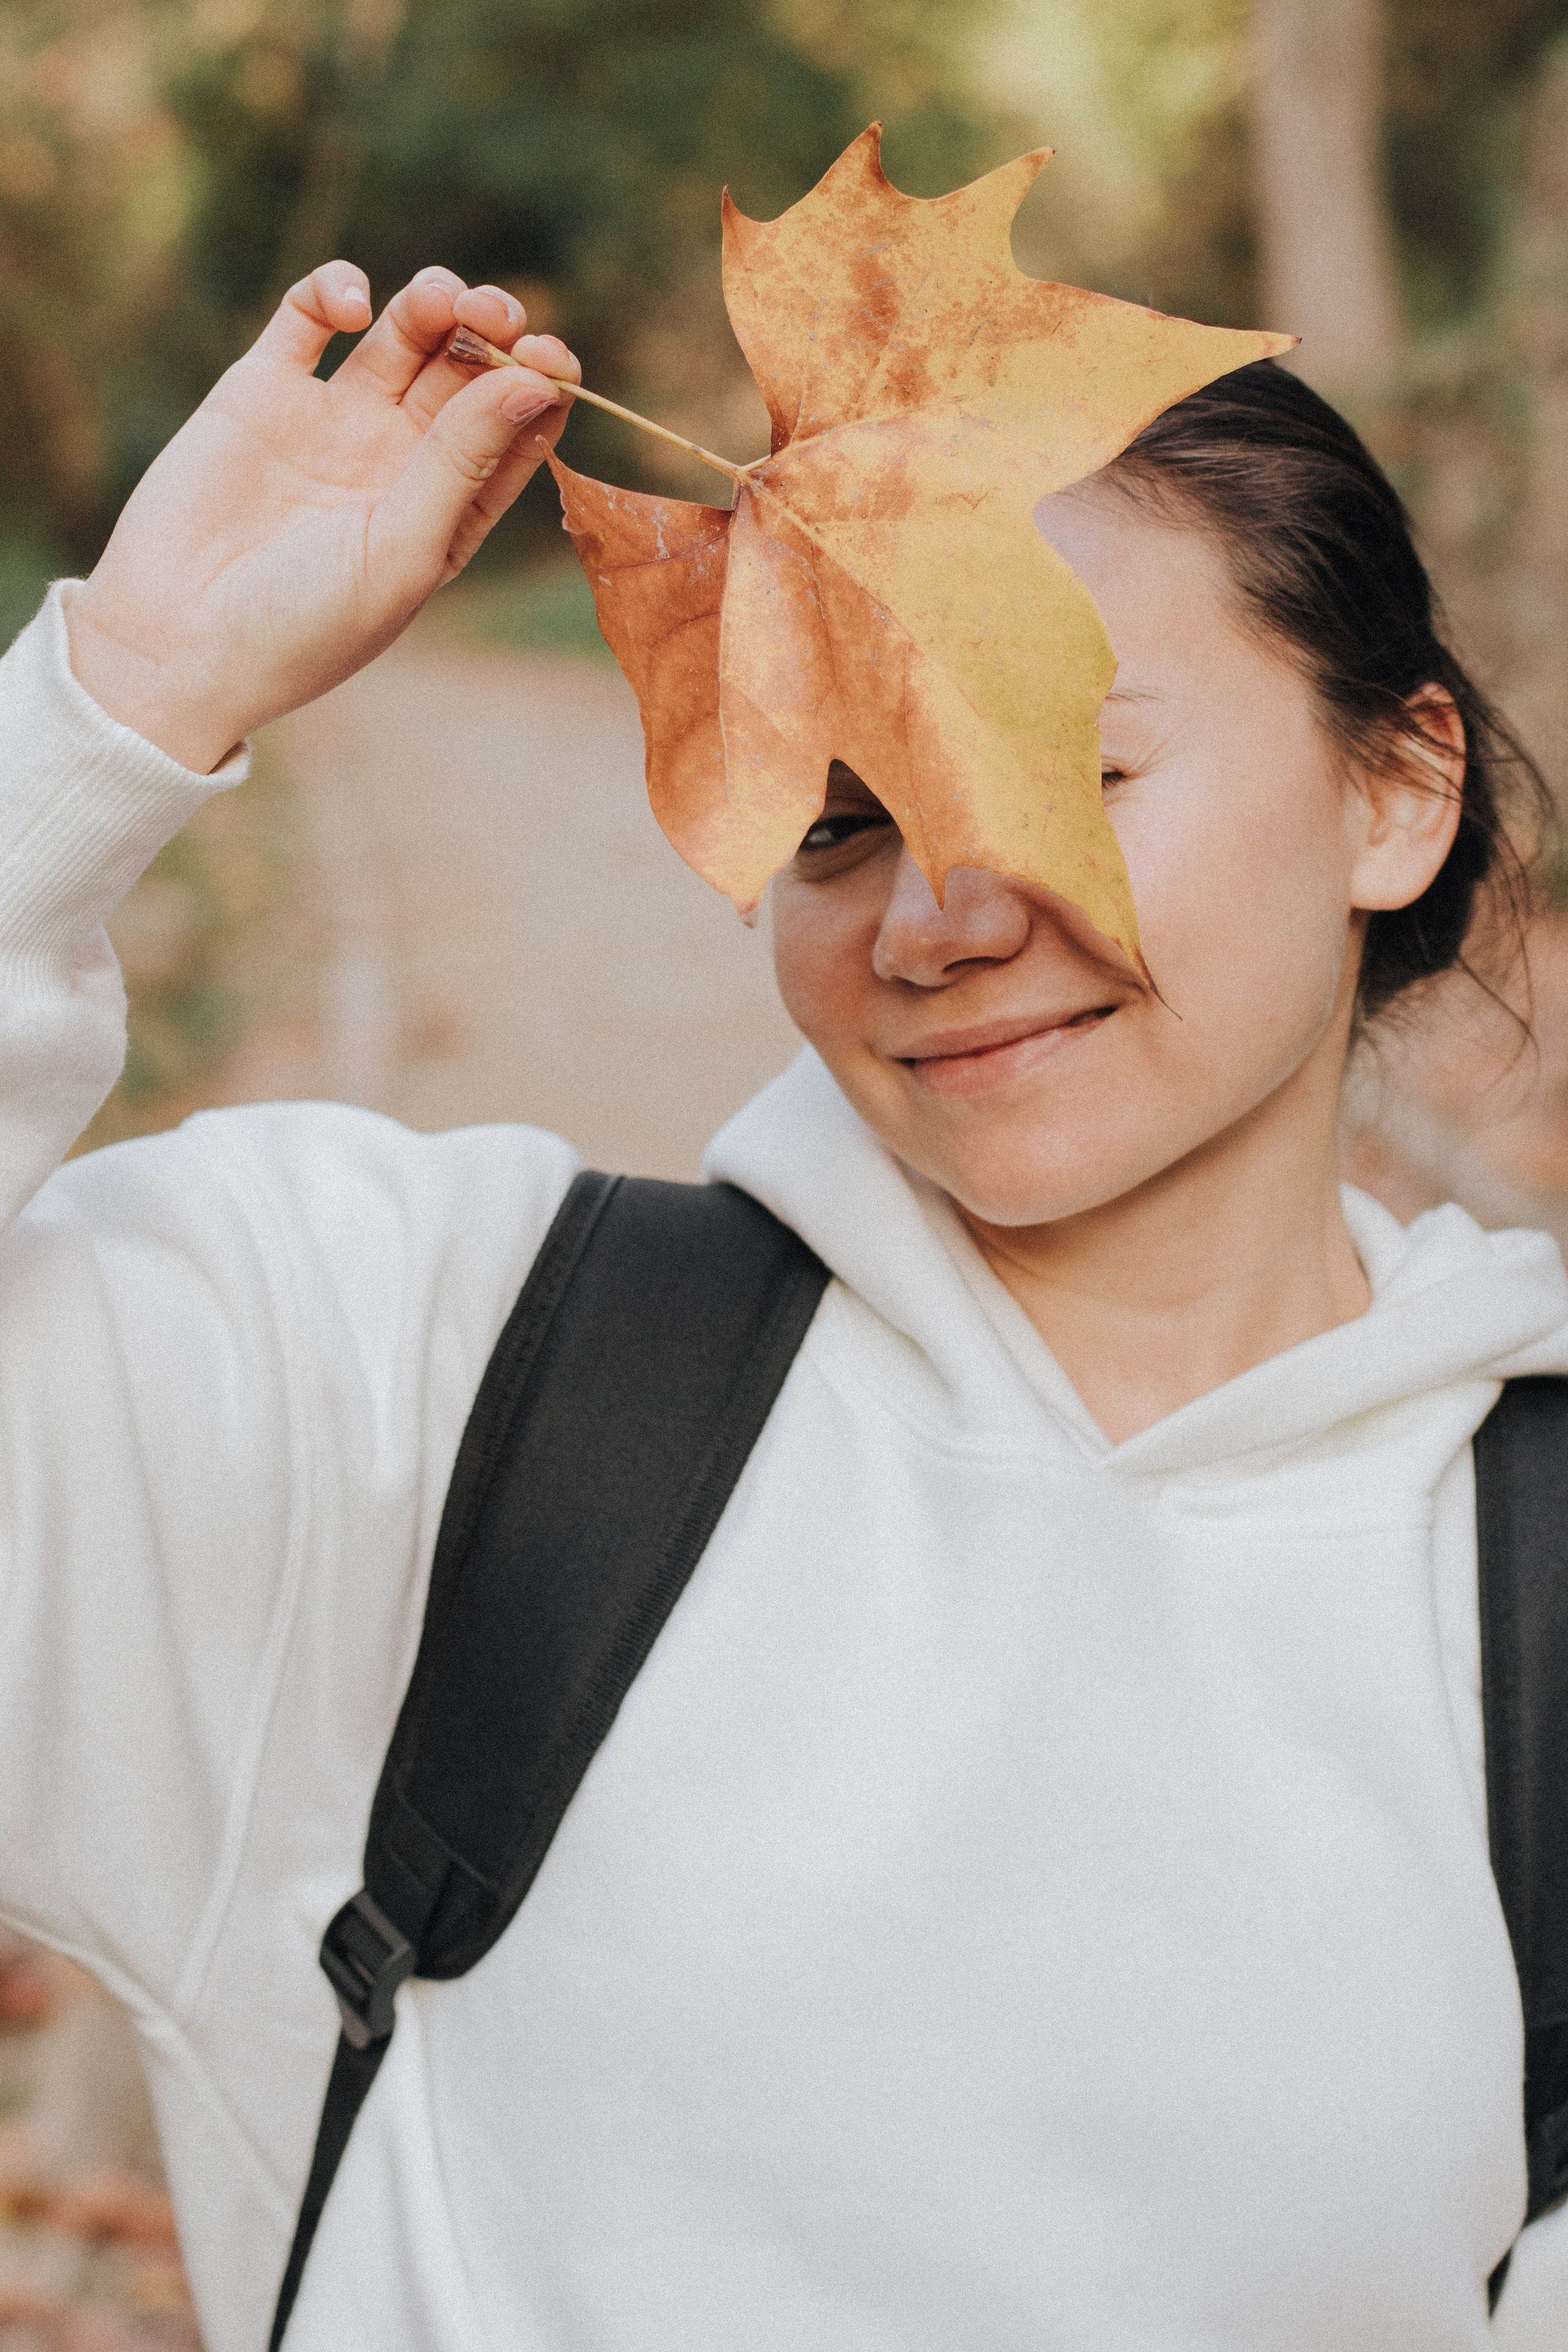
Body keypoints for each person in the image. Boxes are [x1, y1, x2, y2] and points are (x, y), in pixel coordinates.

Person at [0, 255, 1564, 2352]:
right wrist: (119, 697)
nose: (936, 914)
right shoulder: (414, 1381)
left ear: (1400, 787)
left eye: (1059, 765)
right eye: (837, 820)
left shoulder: (1536, 1615)